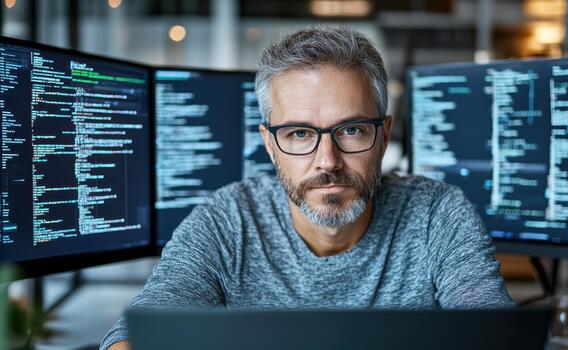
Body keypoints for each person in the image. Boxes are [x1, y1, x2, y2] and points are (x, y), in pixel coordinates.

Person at [101, 26, 513, 350]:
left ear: (385, 135)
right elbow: (137, 331)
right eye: (299, 133)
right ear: (270, 144)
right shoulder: (227, 219)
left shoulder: (438, 213)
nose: (327, 161)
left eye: (351, 130)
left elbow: (495, 330)